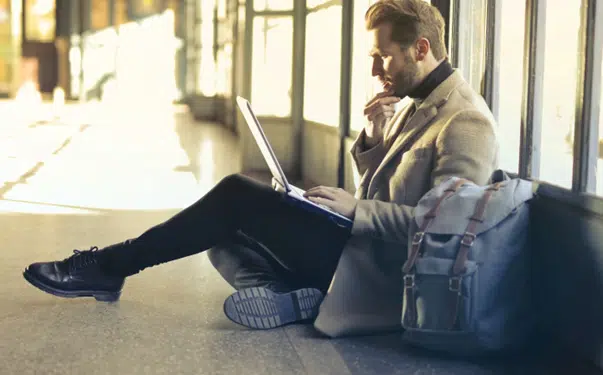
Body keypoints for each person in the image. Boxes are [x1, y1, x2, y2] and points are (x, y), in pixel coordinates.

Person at [22, 0, 498, 336]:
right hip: (356, 246)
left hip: (381, 276)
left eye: (384, 57)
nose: (376, 71)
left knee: (235, 196)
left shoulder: (465, 121)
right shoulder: (416, 103)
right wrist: (373, 142)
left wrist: (356, 211)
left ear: (420, 49)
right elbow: (388, 192)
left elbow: (447, 235)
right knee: (222, 234)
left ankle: (110, 265)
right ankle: (294, 294)